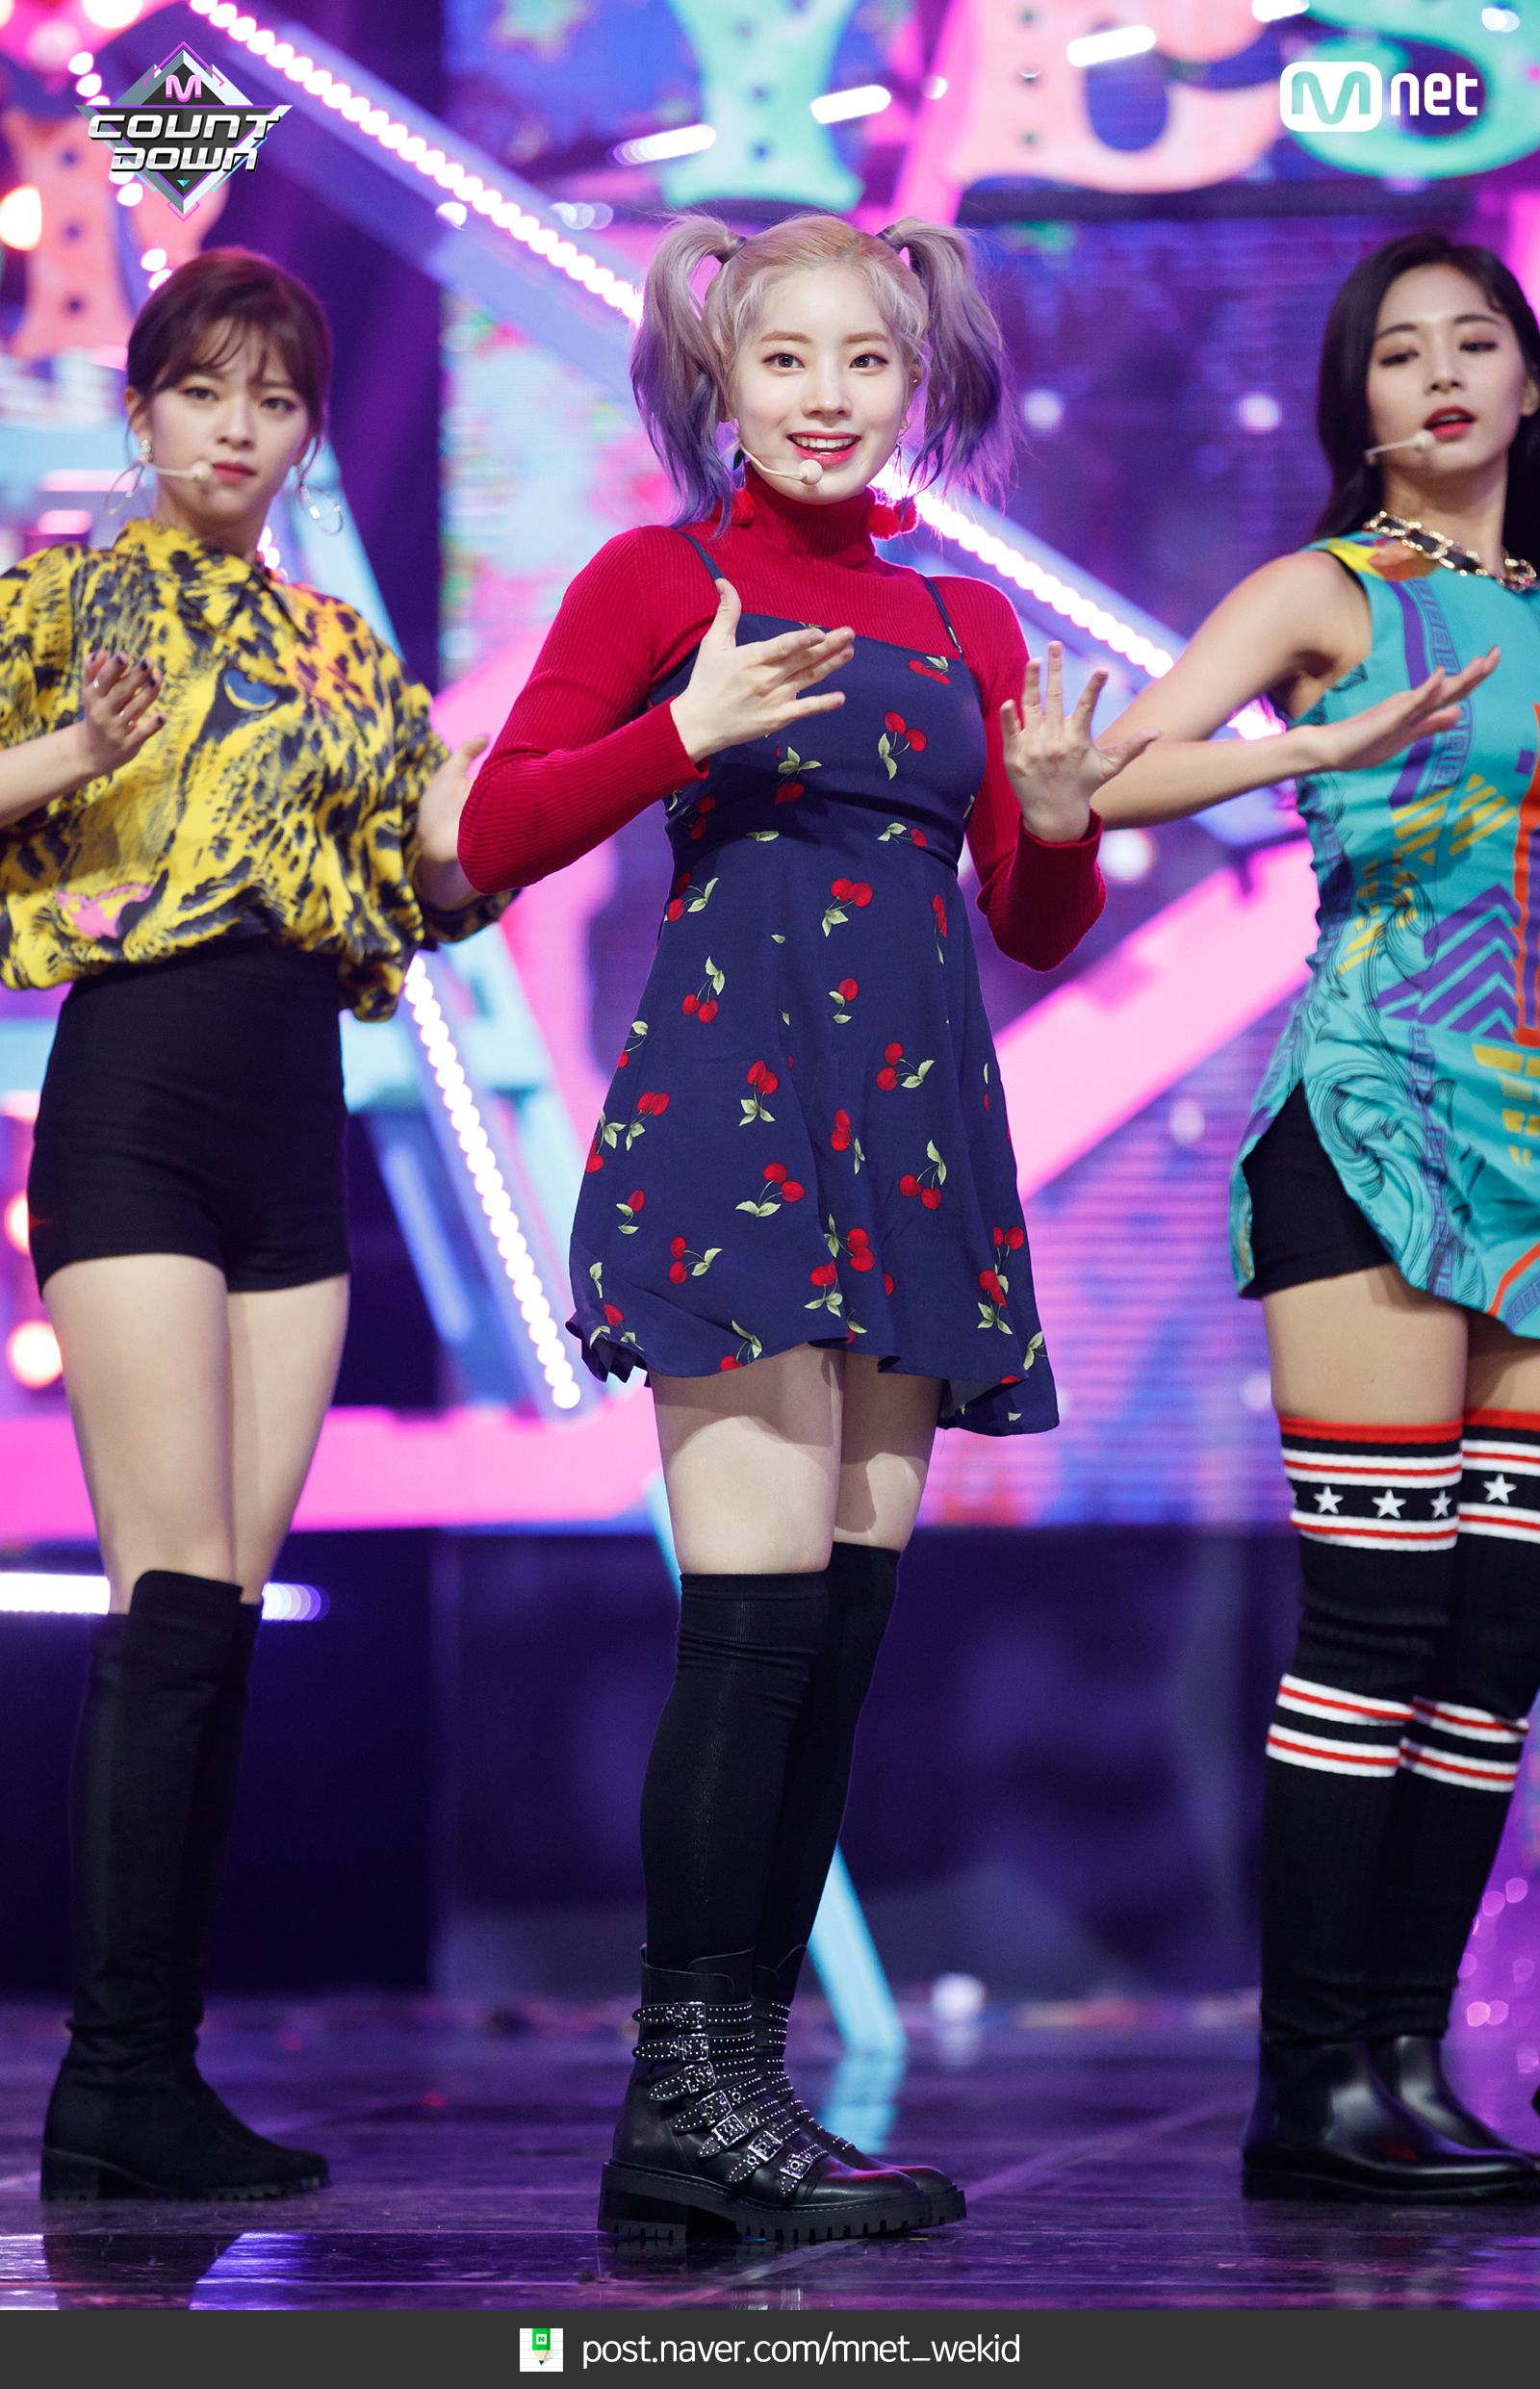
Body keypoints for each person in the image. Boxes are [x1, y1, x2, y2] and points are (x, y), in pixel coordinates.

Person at [458, 211, 1129, 2242]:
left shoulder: (964, 619)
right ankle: (679, 2102)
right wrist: (683, 730)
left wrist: (1062, 820)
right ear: (720, 380)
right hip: (731, 1127)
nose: (826, 397)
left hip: (910, 1144)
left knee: (831, 1649)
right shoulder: (660, 582)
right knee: (749, 1634)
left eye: (863, 361)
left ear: (911, 381)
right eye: (785, 361)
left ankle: (739, 2099)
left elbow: (1028, 921)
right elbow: (491, 831)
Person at [1011, 227, 1540, 2202]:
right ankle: (1306, 2084)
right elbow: (1107, 775)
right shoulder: (1323, 590)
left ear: (1527, 379)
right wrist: (1305, 745)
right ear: (1357, 403)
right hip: (1376, 1118)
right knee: (1377, 1607)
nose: (1440, 374)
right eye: (1398, 351)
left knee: (1493, 1632)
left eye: (1473, 340)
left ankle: (1404, 2067)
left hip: (1537, 1140)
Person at [0, 247, 500, 2201]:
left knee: (218, 1618)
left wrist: (502, 816)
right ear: (139, 410)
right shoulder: (54, 606)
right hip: (134, 1100)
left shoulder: (343, 649)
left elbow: (425, 886)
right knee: (165, 1596)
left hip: (301, 1129)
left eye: (274, 399)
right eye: (203, 388)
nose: (237, 425)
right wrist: (68, 757)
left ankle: (158, 2072)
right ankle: (109, 2081)